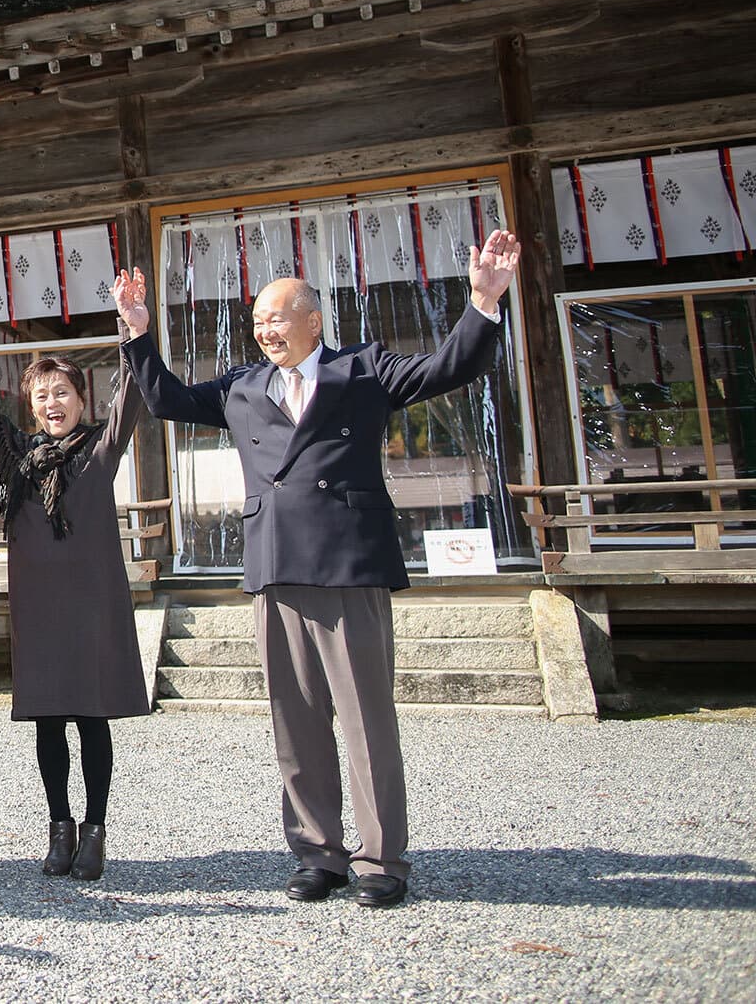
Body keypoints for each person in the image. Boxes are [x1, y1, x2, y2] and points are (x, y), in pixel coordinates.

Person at [115, 230, 522, 909]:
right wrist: (137, 335)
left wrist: (482, 301)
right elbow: (167, 400)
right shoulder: (243, 387)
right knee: (293, 720)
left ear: (312, 319)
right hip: (276, 565)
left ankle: (382, 859)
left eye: (276, 317)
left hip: (350, 564)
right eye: (256, 322)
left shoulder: (363, 370)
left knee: (366, 718)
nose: (265, 330)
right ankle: (319, 852)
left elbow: (448, 368)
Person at [0, 284, 147, 882]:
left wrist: (133, 334)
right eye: (42, 395)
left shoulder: (100, 448)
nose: (53, 402)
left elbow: (131, 398)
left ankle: (96, 829)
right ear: (31, 405)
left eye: (63, 392)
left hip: (92, 606)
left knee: (92, 718)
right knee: (49, 721)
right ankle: (59, 826)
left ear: (81, 398)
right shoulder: (15, 458)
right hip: (39, 608)